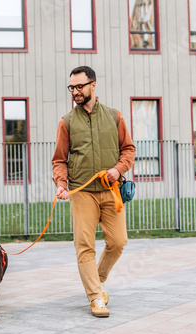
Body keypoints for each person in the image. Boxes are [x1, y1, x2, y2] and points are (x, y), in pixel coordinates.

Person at [52, 66, 136, 317]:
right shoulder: (67, 122)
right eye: (71, 87)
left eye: (79, 86)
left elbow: (128, 149)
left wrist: (118, 170)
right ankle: (96, 298)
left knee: (118, 242)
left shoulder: (114, 116)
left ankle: (97, 281)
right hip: (82, 191)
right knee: (84, 245)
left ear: (93, 85)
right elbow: (59, 159)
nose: (75, 91)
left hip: (111, 189)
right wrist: (61, 184)